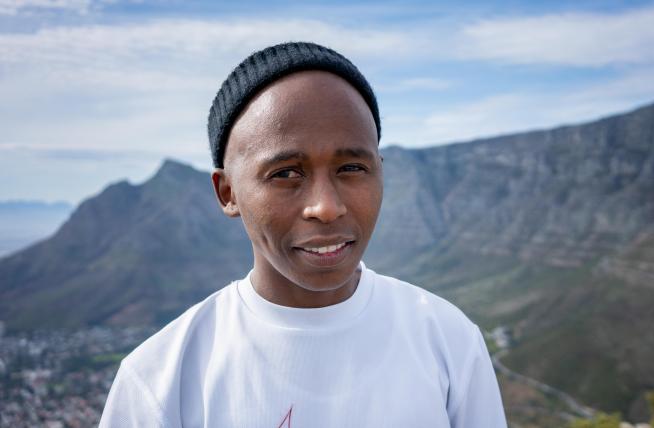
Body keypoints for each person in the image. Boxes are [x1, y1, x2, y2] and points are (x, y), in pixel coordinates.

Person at [99, 41, 508, 427]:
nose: (326, 207)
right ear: (228, 193)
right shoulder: (159, 379)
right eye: (285, 174)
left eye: (351, 168)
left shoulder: (449, 341)